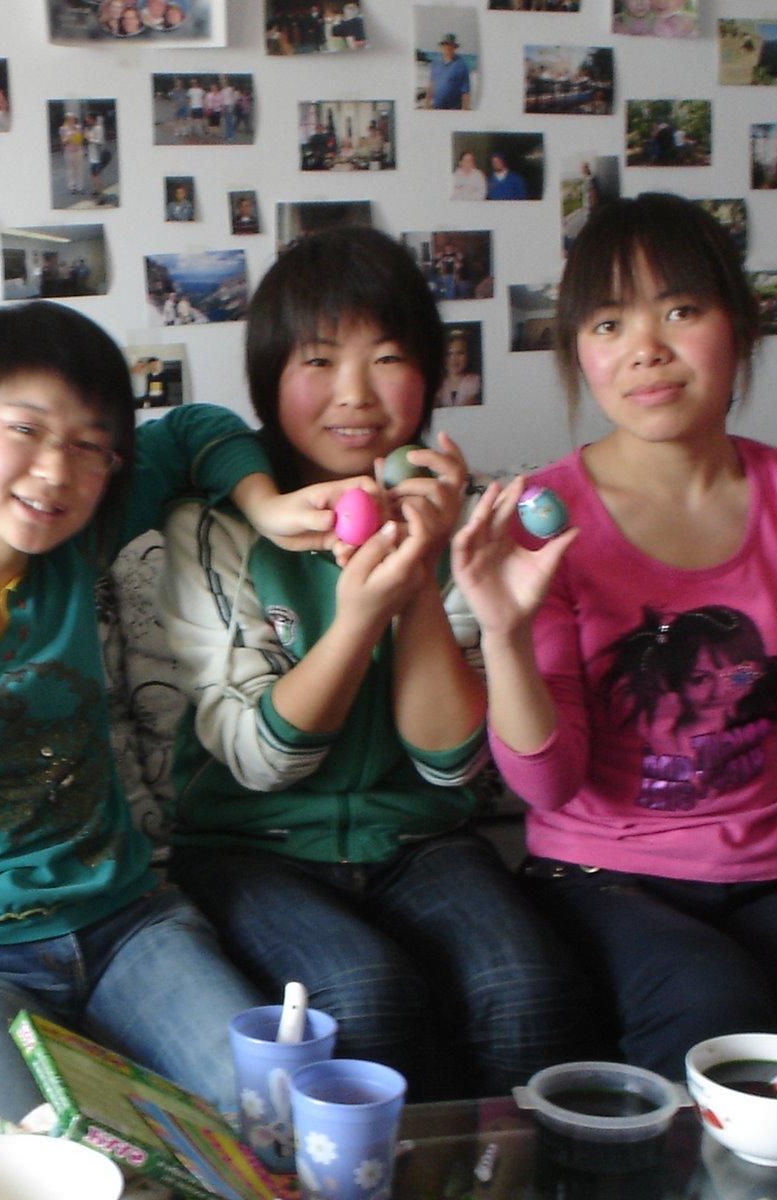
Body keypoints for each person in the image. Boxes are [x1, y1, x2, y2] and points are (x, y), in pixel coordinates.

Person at [0, 302, 347, 1121]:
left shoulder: (68, 552)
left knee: (277, 1113)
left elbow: (193, 429)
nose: (55, 471)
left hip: (127, 925)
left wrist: (265, 507)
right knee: (5, 1167)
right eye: (26, 430)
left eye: (88, 444)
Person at [158, 227, 585, 1098]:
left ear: (429, 375)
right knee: (360, 995)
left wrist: (424, 575)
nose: (354, 395)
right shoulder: (214, 528)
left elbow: (449, 764)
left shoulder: (466, 523)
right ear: (270, 379)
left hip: (422, 841)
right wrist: (358, 619)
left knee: (529, 988)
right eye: (318, 360)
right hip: (253, 847)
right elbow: (264, 761)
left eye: (387, 358)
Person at [451, 192, 777, 1078]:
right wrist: (504, 635)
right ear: (578, 352)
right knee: (709, 1004)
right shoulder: (547, 517)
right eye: (607, 322)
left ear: (738, 326)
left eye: (681, 310)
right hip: (601, 876)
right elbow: (550, 782)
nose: (645, 349)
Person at [437, 327, 482, 408]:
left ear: (468, 355)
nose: (454, 359)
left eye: (460, 353)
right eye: (449, 354)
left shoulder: (477, 381)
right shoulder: (438, 385)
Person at [427, 33, 471, 110]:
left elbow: (465, 91)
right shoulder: (436, 63)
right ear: (442, 46)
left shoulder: (461, 66)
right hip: (436, 107)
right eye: (445, 45)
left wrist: (465, 111)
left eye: (451, 45)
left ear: (455, 47)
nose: (448, 47)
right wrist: (427, 104)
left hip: (453, 109)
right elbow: (431, 85)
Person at [59, 112, 86, 196]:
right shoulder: (63, 129)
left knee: (79, 170)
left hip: (78, 151)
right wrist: (69, 138)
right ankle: (72, 187)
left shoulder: (78, 127)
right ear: (67, 119)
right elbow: (63, 141)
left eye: (73, 118)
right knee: (70, 170)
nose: (72, 120)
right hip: (68, 152)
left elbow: (82, 140)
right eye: (70, 118)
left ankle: (80, 187)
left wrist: (80, 137)